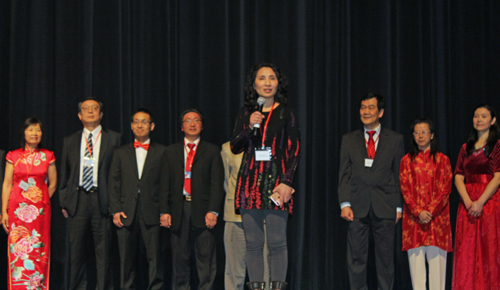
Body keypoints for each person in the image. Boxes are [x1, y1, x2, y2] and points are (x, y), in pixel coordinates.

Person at [231, 63, 300, 290]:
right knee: (253, 244)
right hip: (249, 183)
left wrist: (286, 182)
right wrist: (248, 126)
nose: (267, 83)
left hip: (275, 185)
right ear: (254, 84)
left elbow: (294, 150)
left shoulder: (286, 113)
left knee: (277, 242)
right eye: (262, 78)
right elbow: (235, 146)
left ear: (278, 83)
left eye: (272, 78)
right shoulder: (246, 112)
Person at [338, 93, 404, 290]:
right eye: (363, 107)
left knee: (385, 260)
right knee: (356, 259)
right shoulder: (349, 139)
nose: (366, 111)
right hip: (356, 207)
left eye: (371, 108)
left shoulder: (395, 139)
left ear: (380, 112)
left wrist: (399, 207)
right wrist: (344, 203)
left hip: (386, 206)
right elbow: (344, 174)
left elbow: (399, 174)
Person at [59, 97, 121, 290]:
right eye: (86, 109)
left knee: (103, 252)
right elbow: (64, 174)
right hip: (77, 200)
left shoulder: (114, 138)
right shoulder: (70, 140)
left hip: (102, 200)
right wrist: (64, 201)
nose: (91, 111)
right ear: (80, 115)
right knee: (76, 252)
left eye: (95, 108)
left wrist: (115, 203)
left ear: (101, 115)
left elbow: (118, 173)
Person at [160, 108, 224, 290]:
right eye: (188, 121)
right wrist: (164, 211)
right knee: (179, 259)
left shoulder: (212, 151)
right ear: (182, 127)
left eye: (196, 120)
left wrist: (213, 210)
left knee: (206, 259)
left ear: (202, 126)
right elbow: (164, 184)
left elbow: (217, 184)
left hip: (203, 211)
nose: (192, 123)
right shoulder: (170, 151)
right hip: (178, 210)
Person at [108, 108, 166, 290]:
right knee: (126, 259)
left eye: (145, 122)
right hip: (126, 211)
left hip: (153, 211)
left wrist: (164, 211)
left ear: (152, 126)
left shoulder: (163, 151)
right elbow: (113, 182)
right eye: (136, 122)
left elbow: (166, 184)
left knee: (155, 258)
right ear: (132, 126)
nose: (140, 125)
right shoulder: (120, 152)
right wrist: (115, 209)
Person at [2, 118, 57, 290]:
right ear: (23, 133)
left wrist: (41, 203)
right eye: (31, 130)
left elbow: (53, 184)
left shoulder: (48, 156)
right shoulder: (13, 155)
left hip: (39, 213)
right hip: (16, 211)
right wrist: (4, 211)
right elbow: (7, 184)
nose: (34, 134)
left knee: (38, 249)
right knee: (18, 250)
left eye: (38, 130)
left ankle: (37, 286)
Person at [399, 119, 452, 290]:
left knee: (438, 274)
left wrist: (429, 211)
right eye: (416, 133)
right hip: (414, 223)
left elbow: (446, 189)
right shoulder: (406, 161)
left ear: (432, 135)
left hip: (437, 222)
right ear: (413, 136)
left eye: (424, 132)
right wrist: (418, 212)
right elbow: (404, 189)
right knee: (417, 274)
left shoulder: (443, 160)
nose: (420, 136)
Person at [453, 104, 500, 290]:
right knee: (466, 250)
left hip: (489, 202)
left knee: (488, 249)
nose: (479, 120)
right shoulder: (466, 147)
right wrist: (467, 201)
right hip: (468, 203)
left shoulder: (497, 146)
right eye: (476, 116)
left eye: (483, 116)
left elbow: (498, 177)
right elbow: (458, 176)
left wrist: (480, 202)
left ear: (493, 121)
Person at [221, 141, 272, 290]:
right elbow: (225, 181)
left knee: (264, 268)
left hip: (262, 217)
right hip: (235, 216)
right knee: (234, 269)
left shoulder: (269, 144)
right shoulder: (227, 148)